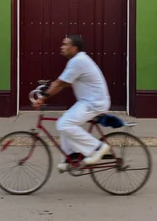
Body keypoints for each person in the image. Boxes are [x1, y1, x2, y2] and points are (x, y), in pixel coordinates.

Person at [32, 34, 111, 172]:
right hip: (88, 101)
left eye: (65, 44)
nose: (62, 47)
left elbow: (58, 83)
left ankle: (98, 147)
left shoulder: (78, 61)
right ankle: (72, 156)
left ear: (74, 48)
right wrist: (46, 95)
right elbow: (63, 85)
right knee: (64, 122)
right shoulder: (77, 60)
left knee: (64, 124)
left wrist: (42, 98)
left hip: (94, 102)